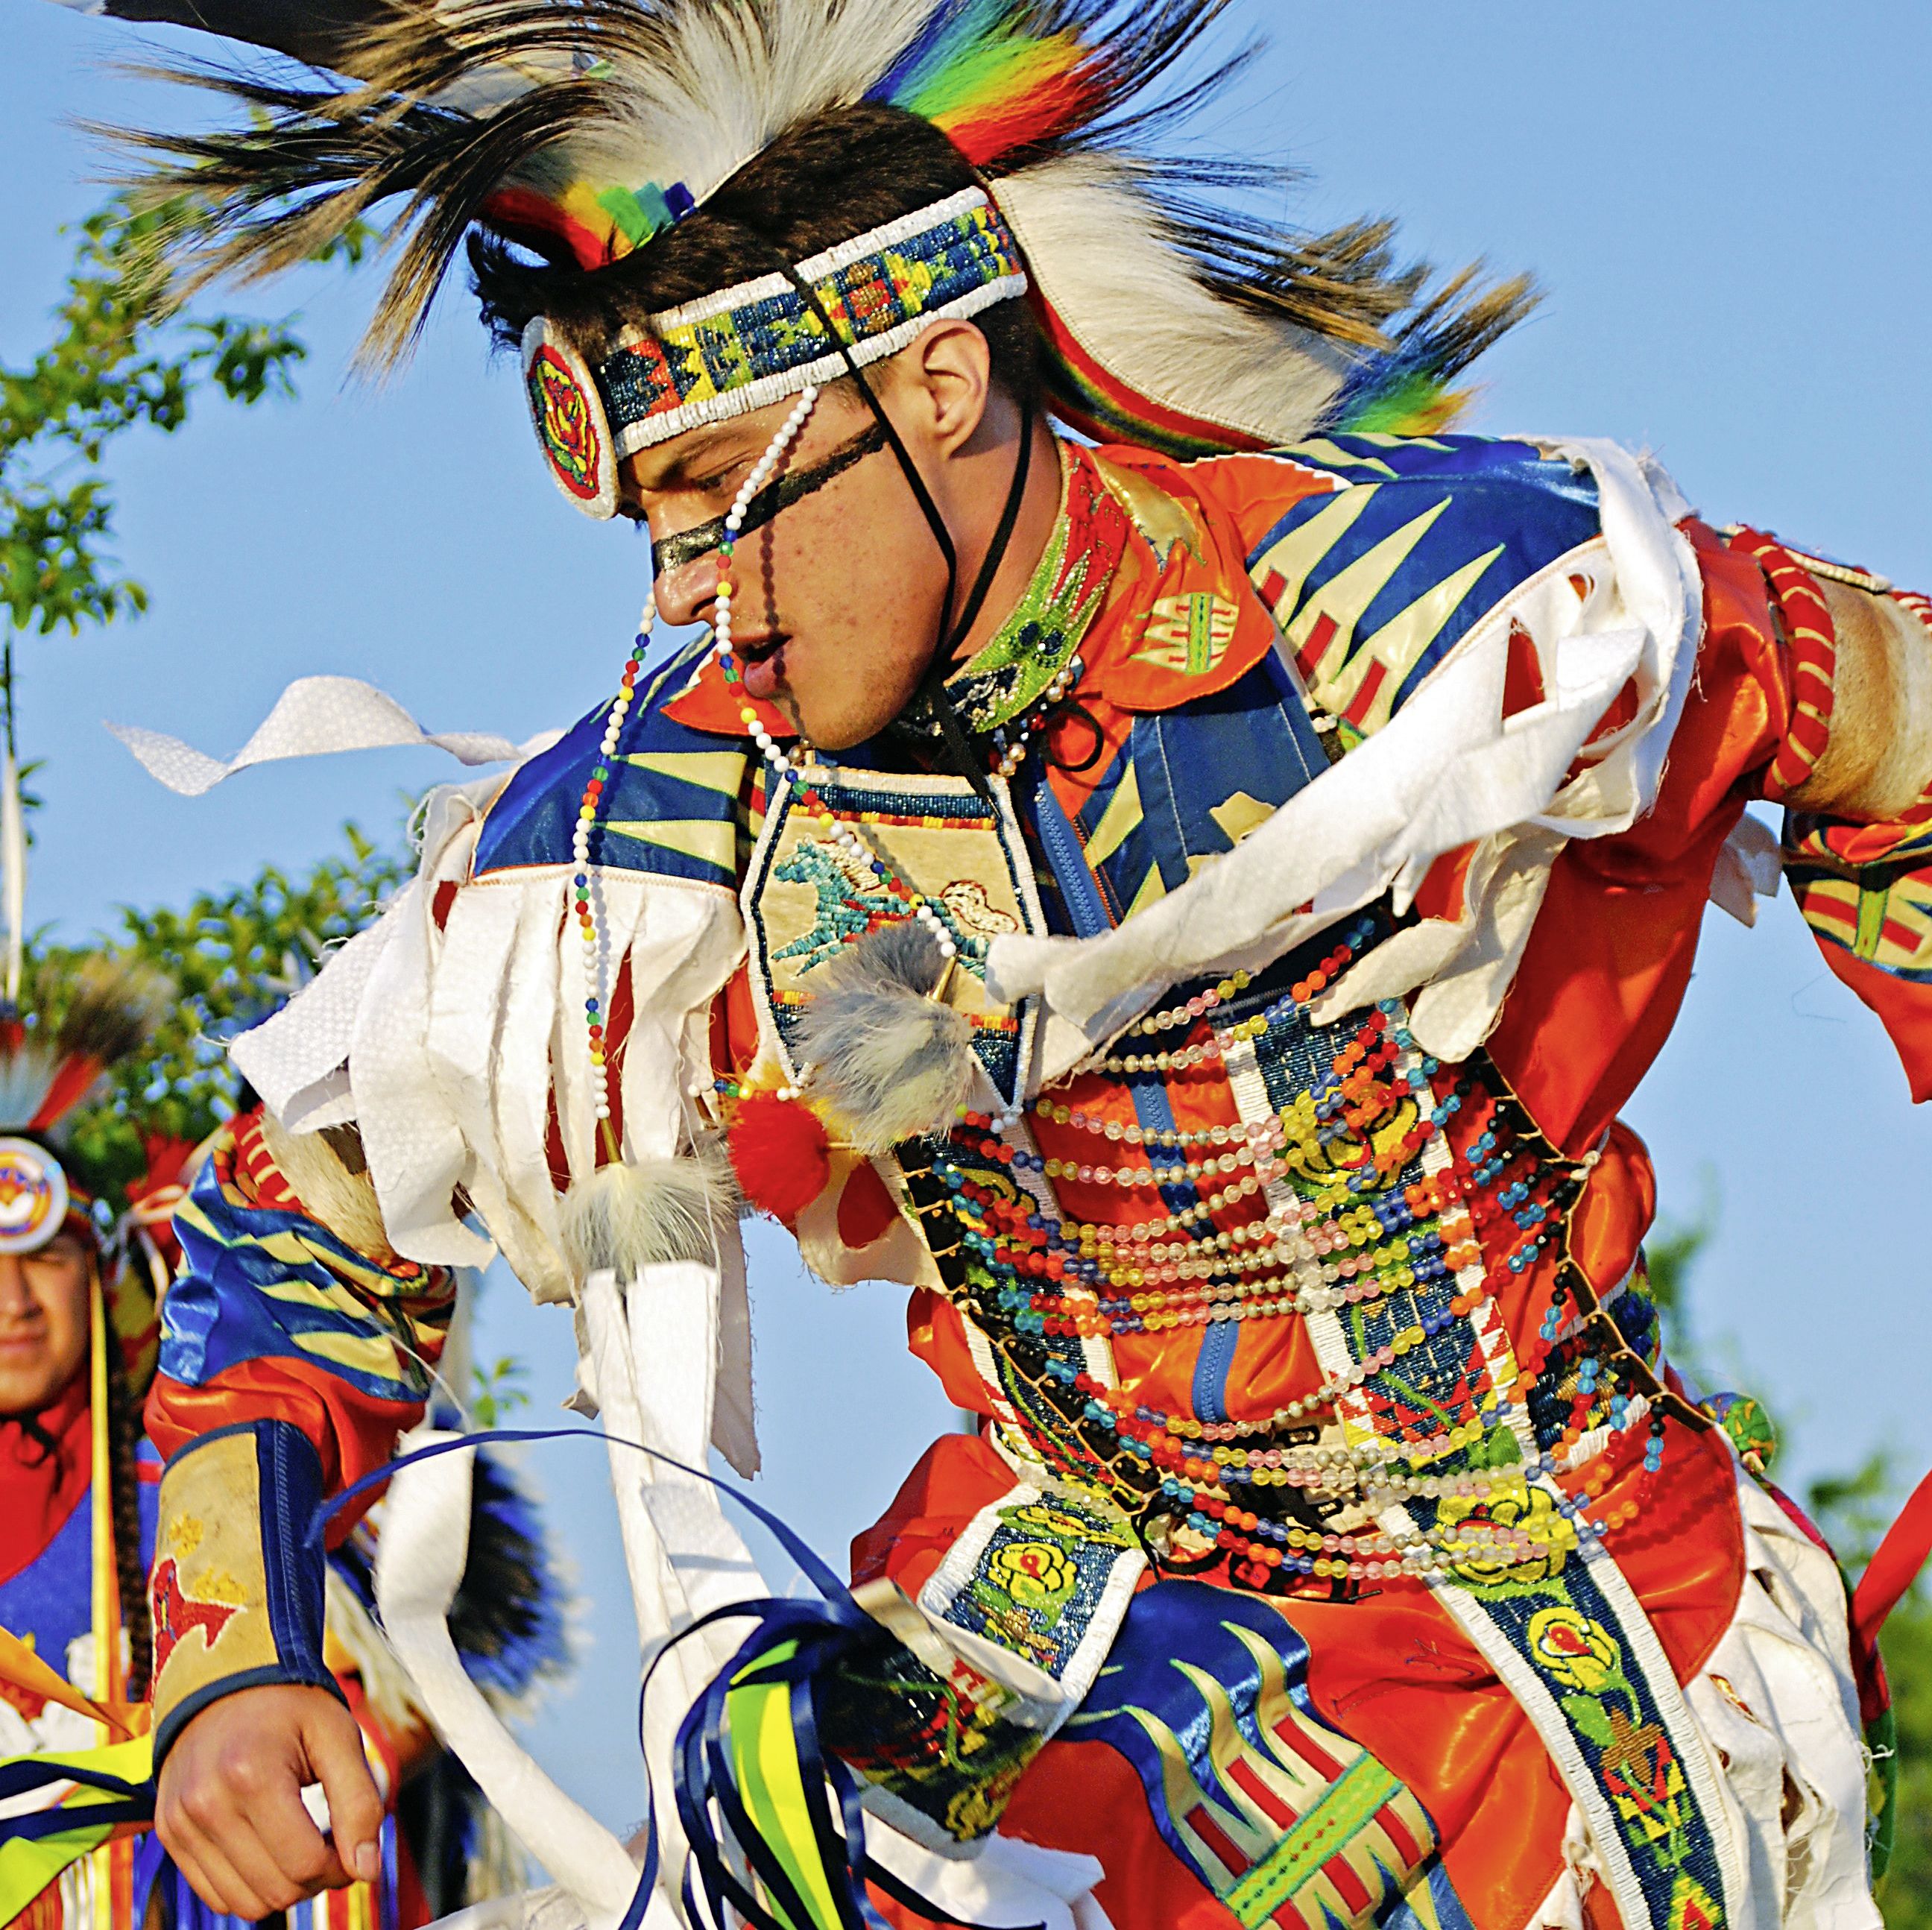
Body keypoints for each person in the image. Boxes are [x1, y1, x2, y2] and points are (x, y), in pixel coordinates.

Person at [44, 2, 1932, 1927]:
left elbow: (1889, 726)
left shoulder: (1421, 609)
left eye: (718, 491)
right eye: (652, 520)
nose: (688, 590)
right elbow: (295, 1210)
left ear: (939, 381)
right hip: (1058, 1649)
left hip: (1552, 1632)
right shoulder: (673, 810)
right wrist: (228, 1650)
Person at [0, 954, 566, 1930]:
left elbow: (406, 1698)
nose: (13, 1303)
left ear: (98, 1268)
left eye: (42, 1257)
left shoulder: (227, 1466)